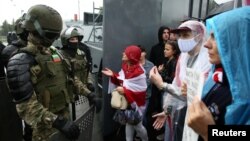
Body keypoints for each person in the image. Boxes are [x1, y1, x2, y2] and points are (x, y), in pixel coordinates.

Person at [6, 5, 80, 141]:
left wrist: (88, 93)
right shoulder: (20, 61)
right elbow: (25, 106)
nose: (53, 39)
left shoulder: (54, 52)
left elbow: (69, 78)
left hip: (64, 119)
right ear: (36, 31)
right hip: (43, 130)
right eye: (51, 35)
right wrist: (57, 121)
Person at [188, 6, 250, 141]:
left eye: (216, 37)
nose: (206, 44)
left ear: (239, 40)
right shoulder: (221, 75)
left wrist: (209, 132)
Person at [150, 20, 211, 141]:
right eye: (180, 36)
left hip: (200, 121)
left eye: (186, 35)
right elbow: (176, 84)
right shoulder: (183, 57)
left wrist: (162, 85)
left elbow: (193, 95)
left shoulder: (208, 61)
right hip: (181, 115)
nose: (181, 40)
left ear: (199, 36)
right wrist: (168, 110)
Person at [102, 45, 148, 141]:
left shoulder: (139, 72)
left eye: (126, 52)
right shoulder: (125, 66)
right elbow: (123, 80)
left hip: (136, 105)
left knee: (138, 127)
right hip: (128, 103)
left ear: (131, 55)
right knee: (129, 123)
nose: (123, 53)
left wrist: (125, 91)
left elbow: (142, 91)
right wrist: (113, 75)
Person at [59, 27, 98, 110]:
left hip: (83, 94)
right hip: (69, 96)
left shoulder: (81, 54)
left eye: (76, 39)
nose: (75, 41)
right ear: (65, 41)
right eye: (72, 39)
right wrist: (88, 93)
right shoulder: (61, 56)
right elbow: (71, 77)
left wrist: (90, 83)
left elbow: (87, 70)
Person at [148, 26, 170, 141]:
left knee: (166, 105)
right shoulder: (155, 48)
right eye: (164, 33)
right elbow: (151, 64)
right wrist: (157, 70)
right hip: (157, 80)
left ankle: (165, 132)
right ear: (160, 34)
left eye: (168, 32)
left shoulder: (173, 48)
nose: (166, 34)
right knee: (157, 103)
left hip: (168, 82)